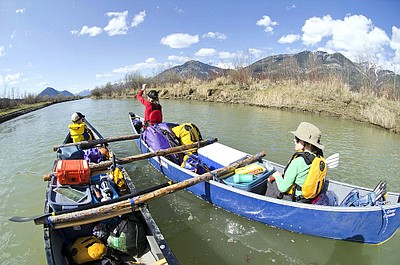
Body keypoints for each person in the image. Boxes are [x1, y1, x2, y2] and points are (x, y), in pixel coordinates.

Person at [266, 122, 326, 203]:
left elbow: (283, 188)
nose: (294, 140)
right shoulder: (318, 158)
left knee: (272, 181)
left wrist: (276, 175)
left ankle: (269, 206)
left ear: (308, 144)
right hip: (308, 197)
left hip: (296, 198)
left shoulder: (297, 162)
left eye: (297, 140)